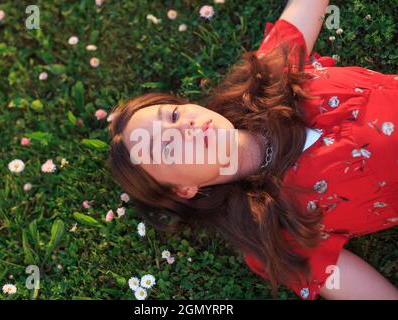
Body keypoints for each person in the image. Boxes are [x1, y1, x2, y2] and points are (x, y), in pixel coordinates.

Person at [107, 0, 398, 299]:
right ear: (183, 189)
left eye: (173, 115)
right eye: (168, 147)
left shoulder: (267, 76)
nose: (185, 128)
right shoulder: (271, 235)